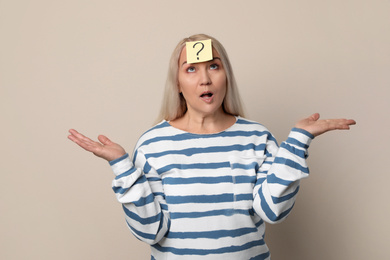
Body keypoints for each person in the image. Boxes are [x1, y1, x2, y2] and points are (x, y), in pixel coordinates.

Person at [68, 34, 356, 259]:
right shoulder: (153, 144)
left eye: (213, 66)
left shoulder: (257, 138)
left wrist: (297, 143)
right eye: (191, 69)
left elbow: (272, 211)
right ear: (178, 83)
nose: (205, 78)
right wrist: (121, 165)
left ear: (225, 76)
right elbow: (149, 231)